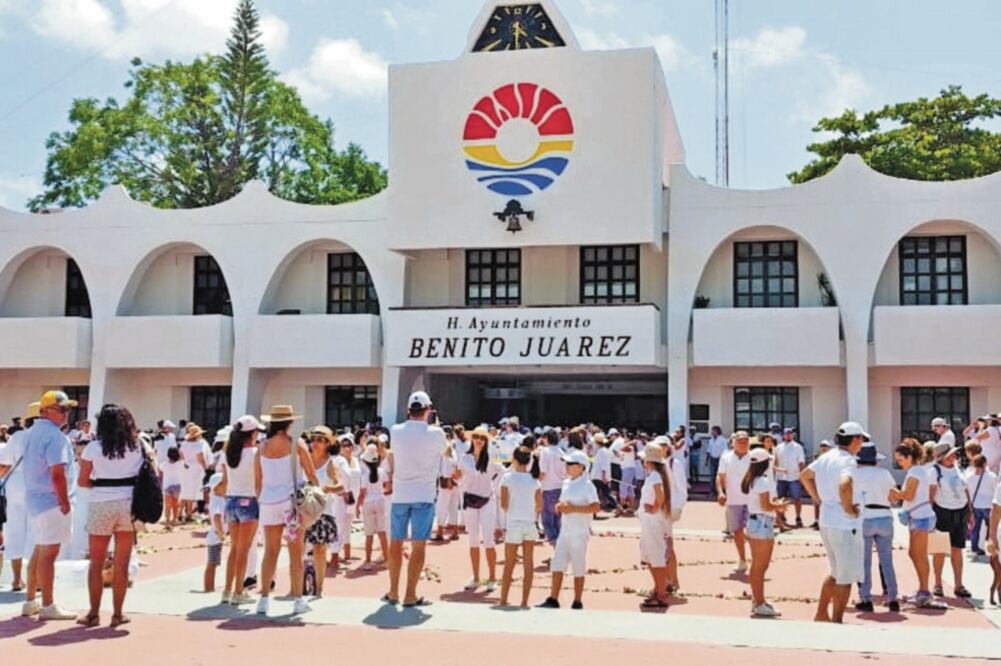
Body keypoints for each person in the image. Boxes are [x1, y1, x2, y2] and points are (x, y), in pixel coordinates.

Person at [75, 404, 145, 628]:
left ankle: (94, 613)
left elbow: (83, 481)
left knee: (96, 563)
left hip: (101, 502)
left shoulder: (93, 448)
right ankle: (118, 614)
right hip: (129, 504)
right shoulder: (138, 445)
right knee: (122, 564)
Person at [254, 405, 319, 616]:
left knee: (270, 552)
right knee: (295, 552)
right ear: (290, 422)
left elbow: (258, 481)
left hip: (268, 502)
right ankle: (298, 600)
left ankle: (263, 598)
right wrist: (317, 494)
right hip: (291, 503)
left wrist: (263, 498)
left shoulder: (261, 447)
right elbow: (311, 474)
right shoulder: (296, 444)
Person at [386, 391, 446, 608]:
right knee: (419, 546)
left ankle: (393, 591)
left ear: (408, 410)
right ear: (428, 410)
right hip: (423, 494)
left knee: (396, 543)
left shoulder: (396, 431)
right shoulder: (436, 433)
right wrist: (434, 424)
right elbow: (444, 451)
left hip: (401, 494)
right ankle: (410, 594)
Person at [800, 421, 864, 624]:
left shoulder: (826, 457)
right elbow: (845, 484)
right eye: (861, 438)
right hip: (844, 523)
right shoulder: (848, 461)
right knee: (845, 576)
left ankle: (821, 613)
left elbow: (804, 476)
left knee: (835, 572)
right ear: (855, 439)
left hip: (827, 518)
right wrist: (847, 508)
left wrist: (817, 498)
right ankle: (837, 620)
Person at [21, 391, 77, 620]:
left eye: (67, 410)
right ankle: (48, 604)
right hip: (51, 501)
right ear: (45, 411)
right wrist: (64, 501)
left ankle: (31, 600)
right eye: (61, 409)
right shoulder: (55, 436)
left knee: (40, 549)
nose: (66, 414)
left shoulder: (32, 432)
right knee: (48, 554)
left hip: (36, 500)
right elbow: (57, 473)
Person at [537, 450, 599, 610]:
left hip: (579, 532)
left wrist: (573, 508)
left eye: (570, 464)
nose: (566, 466)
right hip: (565, 530)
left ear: (581, 467)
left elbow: (595, 506)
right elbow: (565, 503)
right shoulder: (566, 482)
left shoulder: (587, 485)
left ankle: (577, 601)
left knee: (578, 566)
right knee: (557, 564)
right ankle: (553, 598)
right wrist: (560, 506)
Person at [220, 415, 263, 606]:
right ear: (252, 433)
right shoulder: (256, 453)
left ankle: (227, 590)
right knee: (244, 550)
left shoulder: (229, 451)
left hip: (231, 499)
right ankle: (239, 591)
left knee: (234, 549)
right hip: (250, 500)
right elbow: (259, 480)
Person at [455, 426, 503, 592]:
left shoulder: (490, 458)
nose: (479, 441)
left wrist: (493, 486)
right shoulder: (465, 457)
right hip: (470, 500)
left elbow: (501, 472)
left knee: (488, 540)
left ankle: (492, 577)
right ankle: (475, 577)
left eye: (482, 438)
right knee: (473, 540)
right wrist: (459, 481)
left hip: (487, 500)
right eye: (476, 437)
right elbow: (464, 475)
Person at [852, 442, 899, 613]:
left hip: (865, 517)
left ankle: (866, 598)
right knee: (887, 560)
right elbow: (894, 497)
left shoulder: (855, 474)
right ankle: (892, 597)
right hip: (885, 515)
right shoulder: (885, 474)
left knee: (864, 561)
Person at [892, 438, 936, 608]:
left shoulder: (915, 472)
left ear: (909, 456)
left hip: (921, 517)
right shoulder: (916, 471)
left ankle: (924, 591)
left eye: (900, 459)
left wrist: (892, 491)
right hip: (917, 516)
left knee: (919, 554)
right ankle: (923, 589)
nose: (898, 462)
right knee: (915, 554)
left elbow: (908, 495)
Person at [0, 401, 38, 593]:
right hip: (37, 484)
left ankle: (16, 579)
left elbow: (4, 465)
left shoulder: (17, 437)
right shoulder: (51, 436)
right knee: (36, 531)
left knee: (14, 529)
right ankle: (35, 578)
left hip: (15, 484)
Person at [744, 447, 785, 617]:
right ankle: (759, 603)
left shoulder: (752, 480)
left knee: (758, 566)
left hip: (757, 522)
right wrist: (780, 506)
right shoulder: (763, 481)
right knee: (760, 566)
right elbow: (766, 505)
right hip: (762, 522)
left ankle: (758, 600)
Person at [927, 442, 972, 599]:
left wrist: (970, 511)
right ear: (942, 457)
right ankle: (937, 583)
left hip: (960, 512)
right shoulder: (934, 471)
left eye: (954, 454)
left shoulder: (957, 468)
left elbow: (965, 490)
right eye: (951, 454)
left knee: (957, 549)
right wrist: (930, 517)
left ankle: (958, 584)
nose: (954, 456)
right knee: (939, 550)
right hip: (942, 513)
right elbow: (930, 496)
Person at [499, 446, 542, 607]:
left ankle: (503, 599)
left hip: (514, 524)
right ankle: (525, 601)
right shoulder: (534, 480)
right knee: (528, 563)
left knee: (509, 563)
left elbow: (504, 504)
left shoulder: (507, 478)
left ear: (515, 459)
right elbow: (539, 505)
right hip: (529, 523)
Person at [304, 426, 343, 597]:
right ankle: (300, 586)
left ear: (328, 444)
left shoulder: (330, 463)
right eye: (313, 439)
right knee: (299, 550)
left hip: (322, 511)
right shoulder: (305, 459)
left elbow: (340, 485)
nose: (315, 443)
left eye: (320, 440)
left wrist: (326, 488)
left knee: (320, 550)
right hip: (304, 511)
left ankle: (319, 589)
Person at [637, 442, 672, 609]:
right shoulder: (655, 475)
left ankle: (662, 594)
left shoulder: (655, 476)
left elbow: (660, 495)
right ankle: (659, 589)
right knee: (650, 556)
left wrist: (655, 507)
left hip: (652, 520)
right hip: (649, 521)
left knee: (655, 556)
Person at [717, 431, 751, 573]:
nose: (743, 444)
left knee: (753, 531)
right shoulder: (726, 458)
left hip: (752, 500)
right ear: (733, 442)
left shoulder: (754, 457)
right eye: (740, 441)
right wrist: (720, 492)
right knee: (737, 531)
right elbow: (720, 476)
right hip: (733, 499)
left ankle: (756, 558)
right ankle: (742, 559)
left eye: (745, 441)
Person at [357, 444, 389, 569]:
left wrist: (357, 506)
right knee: (382, 532)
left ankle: (368, 561)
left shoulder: (364, 475)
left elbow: (362, 493)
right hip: (380, 501)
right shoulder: (382, 472)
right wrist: (381, 492)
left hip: (368, 503)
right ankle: (387, 559)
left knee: (369, 533)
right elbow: (388, 487)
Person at [538, 429, 566, 546]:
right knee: (557, 520)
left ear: (547, 439)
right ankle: (560, 547)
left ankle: (557, 546)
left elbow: (543, 471)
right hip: (561, 488)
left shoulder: (545, 451)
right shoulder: (561, 451)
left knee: (547, 521)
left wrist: (536, 481)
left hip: (549, 488)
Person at [775, 428, 806, 528]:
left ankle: (798, 517)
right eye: (786, 434)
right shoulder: (778, 447)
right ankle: (782, 517)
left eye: (789, 434)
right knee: (781, 499)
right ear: (783, 435)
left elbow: (801, 462)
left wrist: (802, 476)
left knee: (796, 498)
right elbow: (776, 461)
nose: (788, 435)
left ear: (792, 435)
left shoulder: (798, 447)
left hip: (794, 477)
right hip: (781, 477)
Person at [966, 454, 997, 557]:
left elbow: (969, 493)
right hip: (988, 505)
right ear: (984, 463)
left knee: (975, 527)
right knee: (992, 528)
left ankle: (975, 547)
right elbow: (995, 491)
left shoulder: (969, 477)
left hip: (975, 505)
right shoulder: (992, 476)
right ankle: (993, 546)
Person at [179, 424, 209, 522]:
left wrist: (185, 462)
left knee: (185, 490)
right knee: (193, 491)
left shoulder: (184, 444)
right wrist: (205, 468)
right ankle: (188, 513)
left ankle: (182, 512)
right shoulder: (199, 444)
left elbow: (181, 455)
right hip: (196, 468)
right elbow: (201, 458)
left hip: (186, 468)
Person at [204, 472, 226, 594]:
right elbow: (217, 517)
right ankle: (208, 588)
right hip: (215, 536)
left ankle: (210, 587)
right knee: (211, 565)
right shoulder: (217, 500)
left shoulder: (220, 499)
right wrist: (220, 532)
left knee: (214, 564)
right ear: (218, 486)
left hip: (216, 536)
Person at [590, 433, 615, 512]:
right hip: (599, 476)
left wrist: (603, 476)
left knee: (599, 494)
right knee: (605, 494)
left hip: (599, 476)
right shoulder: (603, 451)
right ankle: (617, 506)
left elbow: (603, 464)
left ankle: (595, 511)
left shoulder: (601, 451)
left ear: (597, 443)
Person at [161, 446, 184, 530]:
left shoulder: (164, 464)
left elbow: (161, 471)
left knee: (167, 505)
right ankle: (175, 519)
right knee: (175, 504)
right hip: (177, 485)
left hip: (167, 485)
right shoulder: (181, 463)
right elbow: (186, 465)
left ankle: (167, 521)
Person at [705, 426, 728, 500]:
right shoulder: (711, 440)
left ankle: (721, 492)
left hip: (720, 459)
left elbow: (725, 451)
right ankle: (712, 491)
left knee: (720, 476)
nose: (712, 432)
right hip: (712, 459)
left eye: (713, 431)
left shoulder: (723, 440)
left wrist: (723, 460)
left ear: (717, 431)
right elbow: (709, 451)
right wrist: (707, 460)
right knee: (712, 476)